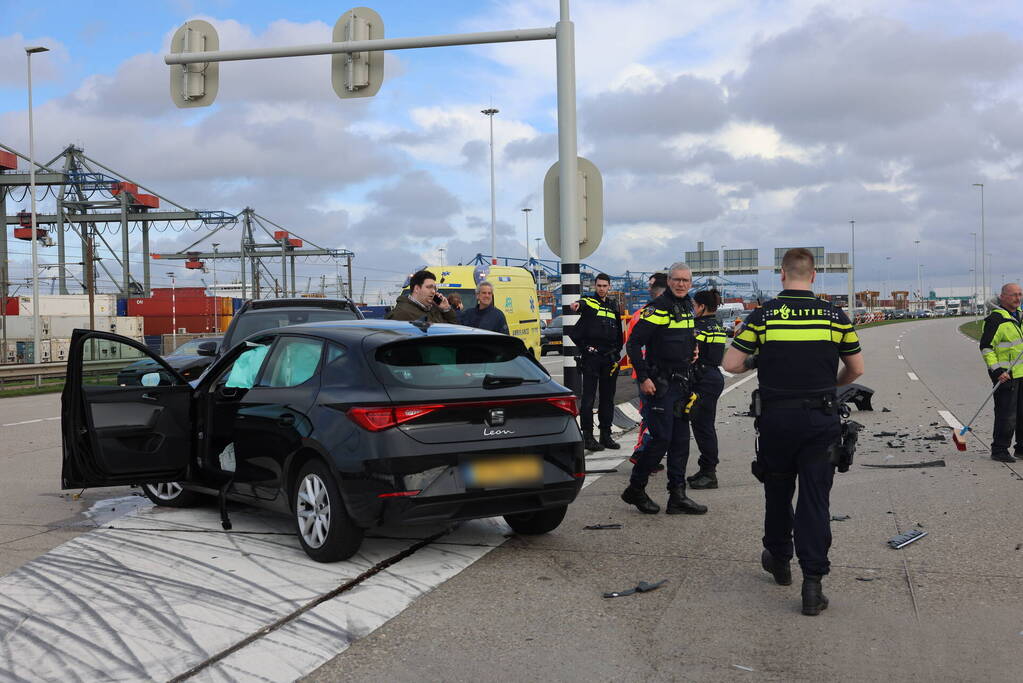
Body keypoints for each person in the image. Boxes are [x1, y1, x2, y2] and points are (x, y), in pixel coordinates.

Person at [722, 248, 863, 617]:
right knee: (815, 501)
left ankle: (779, 559)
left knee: (778, 490)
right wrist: (831, 387)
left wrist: (759, 358)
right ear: (813, 276)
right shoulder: (834, 316)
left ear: (781, 275)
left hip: (776, 422)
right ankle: (812, 585)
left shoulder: (764, 315)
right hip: (820, 421)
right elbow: (856, 369)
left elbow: (732, 363)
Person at [621, 262, 705, 516]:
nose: (681, 284)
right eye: (677, 280)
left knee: (681, 442)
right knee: (661, 440)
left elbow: (686, 335)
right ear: (669, 281)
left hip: (681, 384)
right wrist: (644, 378)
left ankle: (677, 496)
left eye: (685, 280)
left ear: (690, 283)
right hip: (659, 385)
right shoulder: (657, 309)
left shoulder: (687, 306)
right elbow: (634, 345)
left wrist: (693, 348)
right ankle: (635, 488)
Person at [569, 273, 624, 452]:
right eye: (598, 285)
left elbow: (619, 334)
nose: (601, 288)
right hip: (592, 358)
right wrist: (576, 305)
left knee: (607, 399)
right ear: (595, 286)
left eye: (604, 286)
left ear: (609, 287)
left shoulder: (613, 306)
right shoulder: (589, 302)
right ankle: (588, 437)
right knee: (588, 398)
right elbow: (581, 304)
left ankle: (606, 435)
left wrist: (616, 353)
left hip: (609, 359)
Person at [686, 289, 728, 489]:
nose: (693, 309)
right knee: (704, 426)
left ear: (702, 307)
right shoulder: (717, 325)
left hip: (703, 379)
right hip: (711, 377)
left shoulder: (698, 328)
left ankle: (709, 473)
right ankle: (705, 469)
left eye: (694, 305)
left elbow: (687, 352)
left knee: (703, 427)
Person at [626, 273, 668, 472]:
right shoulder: (656, 312)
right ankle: (642, 452)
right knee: (653, 416)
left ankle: (647, 453)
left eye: (650, 285)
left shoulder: (640, 313)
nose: (649, 289)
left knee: (651, 415)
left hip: (644, 372)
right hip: (651, 373)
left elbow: (630, 342)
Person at [979, 282, 1023, 462]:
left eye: (1020, 294)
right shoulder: (996, 319)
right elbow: (986, 348)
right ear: (1003, 296)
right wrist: (997, 372)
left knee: (1022, 414)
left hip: (1021, 373)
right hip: (1006, 375)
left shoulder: (1019, 316)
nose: (1018, 298)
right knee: (1007, 414)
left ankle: (1021, 448)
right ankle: (999, 450)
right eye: (1014, 295)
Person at [387, 270, 458, 324]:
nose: (433, 291)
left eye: (434, 288)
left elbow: (453, 332)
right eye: (429, 287)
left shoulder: (435, 309)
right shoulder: (401, 314)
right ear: (417, 289)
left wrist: (446, 309)